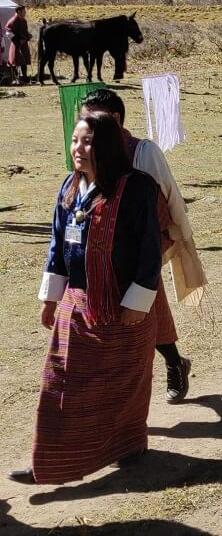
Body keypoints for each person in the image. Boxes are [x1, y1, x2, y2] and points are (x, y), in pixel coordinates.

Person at [11, 113, 163, 485]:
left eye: (88, 142)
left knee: (124, 385)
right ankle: (51, 462)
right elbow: (57, 244)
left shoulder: (136, 188)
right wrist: (51, 297)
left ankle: (128, 444)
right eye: (76, 141)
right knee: (61, 384)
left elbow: (149, 249)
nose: (79, 149)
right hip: (78, 306)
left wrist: (137, 303)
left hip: (124, 309)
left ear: (107, 145)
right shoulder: (70, 186)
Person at [80, 89, 205, 404]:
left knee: (143, 303)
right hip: (101, 249)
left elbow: (169, 194)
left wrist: (183, 237)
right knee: (139, 306)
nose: (84, 126)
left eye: (91, 119)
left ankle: (161, 372)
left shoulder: (143, 151)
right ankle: (174, 362)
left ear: (114, 119)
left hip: (144, 243)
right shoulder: (86, 151)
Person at [5, 5, 31, 84]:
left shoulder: (24, 20)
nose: (25, 12)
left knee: (24, 61)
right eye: (24, 11)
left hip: (24, 44)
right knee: (14, 62)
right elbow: (8, 33)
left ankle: (24, 78)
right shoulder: (13, 21)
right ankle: (14, 78)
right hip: (16, 44)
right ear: (19, 11)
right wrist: (18, 41)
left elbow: (25, 32)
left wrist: (28, 36)